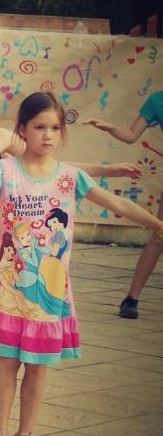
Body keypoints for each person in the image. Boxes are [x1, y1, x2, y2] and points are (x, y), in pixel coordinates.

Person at [0, 91, 163, 436]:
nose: (48, 135)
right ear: (22, 130)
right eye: (39, 127)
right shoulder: (3, 170)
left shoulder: (70, 177)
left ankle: (26, 432)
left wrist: (157, 224)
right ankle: (0, 431)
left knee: (38, 368)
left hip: (49, 296)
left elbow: (118, 204)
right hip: (11, 291)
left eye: (55, 128)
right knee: (8, 363)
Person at [84, 90, 163, 319]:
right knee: (159, 235)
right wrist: (109, 127)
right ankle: (132, 298)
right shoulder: (157, 100)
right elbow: (131, 135)